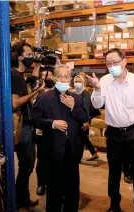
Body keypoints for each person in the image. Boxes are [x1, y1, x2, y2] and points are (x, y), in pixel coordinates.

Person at [87, 48, 134, 212]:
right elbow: (97, 104)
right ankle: (114, 204)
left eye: (115, 62)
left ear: (124, 62)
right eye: (109, 64)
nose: (112, 66)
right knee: (114, 172)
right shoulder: (104, 81)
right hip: (114, 134)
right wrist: (96, 88)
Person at [32, 64, 89, 212]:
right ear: (54, 78)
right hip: (53, 150)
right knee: (55, 187)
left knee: (72, 186)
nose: (63, 79)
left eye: (66, 76)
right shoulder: (44, 97)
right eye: (59, 76)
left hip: (72, 150)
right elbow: (34, 119)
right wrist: (52, 124)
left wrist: (73, 107)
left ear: (70, 78)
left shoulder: (76, 98)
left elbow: (84, 117)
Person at [10, 41, 44, 210]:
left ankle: (22, 199)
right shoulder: (15, 76)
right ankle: (19, 200)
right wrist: (36, 92)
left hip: (28, 125)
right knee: (26, 164)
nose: (31, 58)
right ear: (21, 57)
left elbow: (33, 79)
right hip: (22, 127)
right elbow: (15, 103)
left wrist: (37, 64)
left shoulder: (21, 75)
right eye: (29, 55)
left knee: (27, 164)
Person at [35, 68, 55, 196]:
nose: (47, 77)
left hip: (56, 131)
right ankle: (41, 184)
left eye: (50, 75)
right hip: (42, 132)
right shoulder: (38, 92)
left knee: (55, 159)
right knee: (42, 160)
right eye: (44, 75)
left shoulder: (59, 91)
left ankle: (53, 183)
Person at [73, 74, 100, 161]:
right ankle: (94, 153)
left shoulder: (86, 92)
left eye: (79, 81)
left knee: (81, 138)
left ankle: (78, 158)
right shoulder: (73, 92)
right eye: (76, 81)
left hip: (84, 118)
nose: (77, 83)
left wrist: (86, 121)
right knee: (83, 138)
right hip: (76, 118)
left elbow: (86, 107)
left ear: (83, 82)